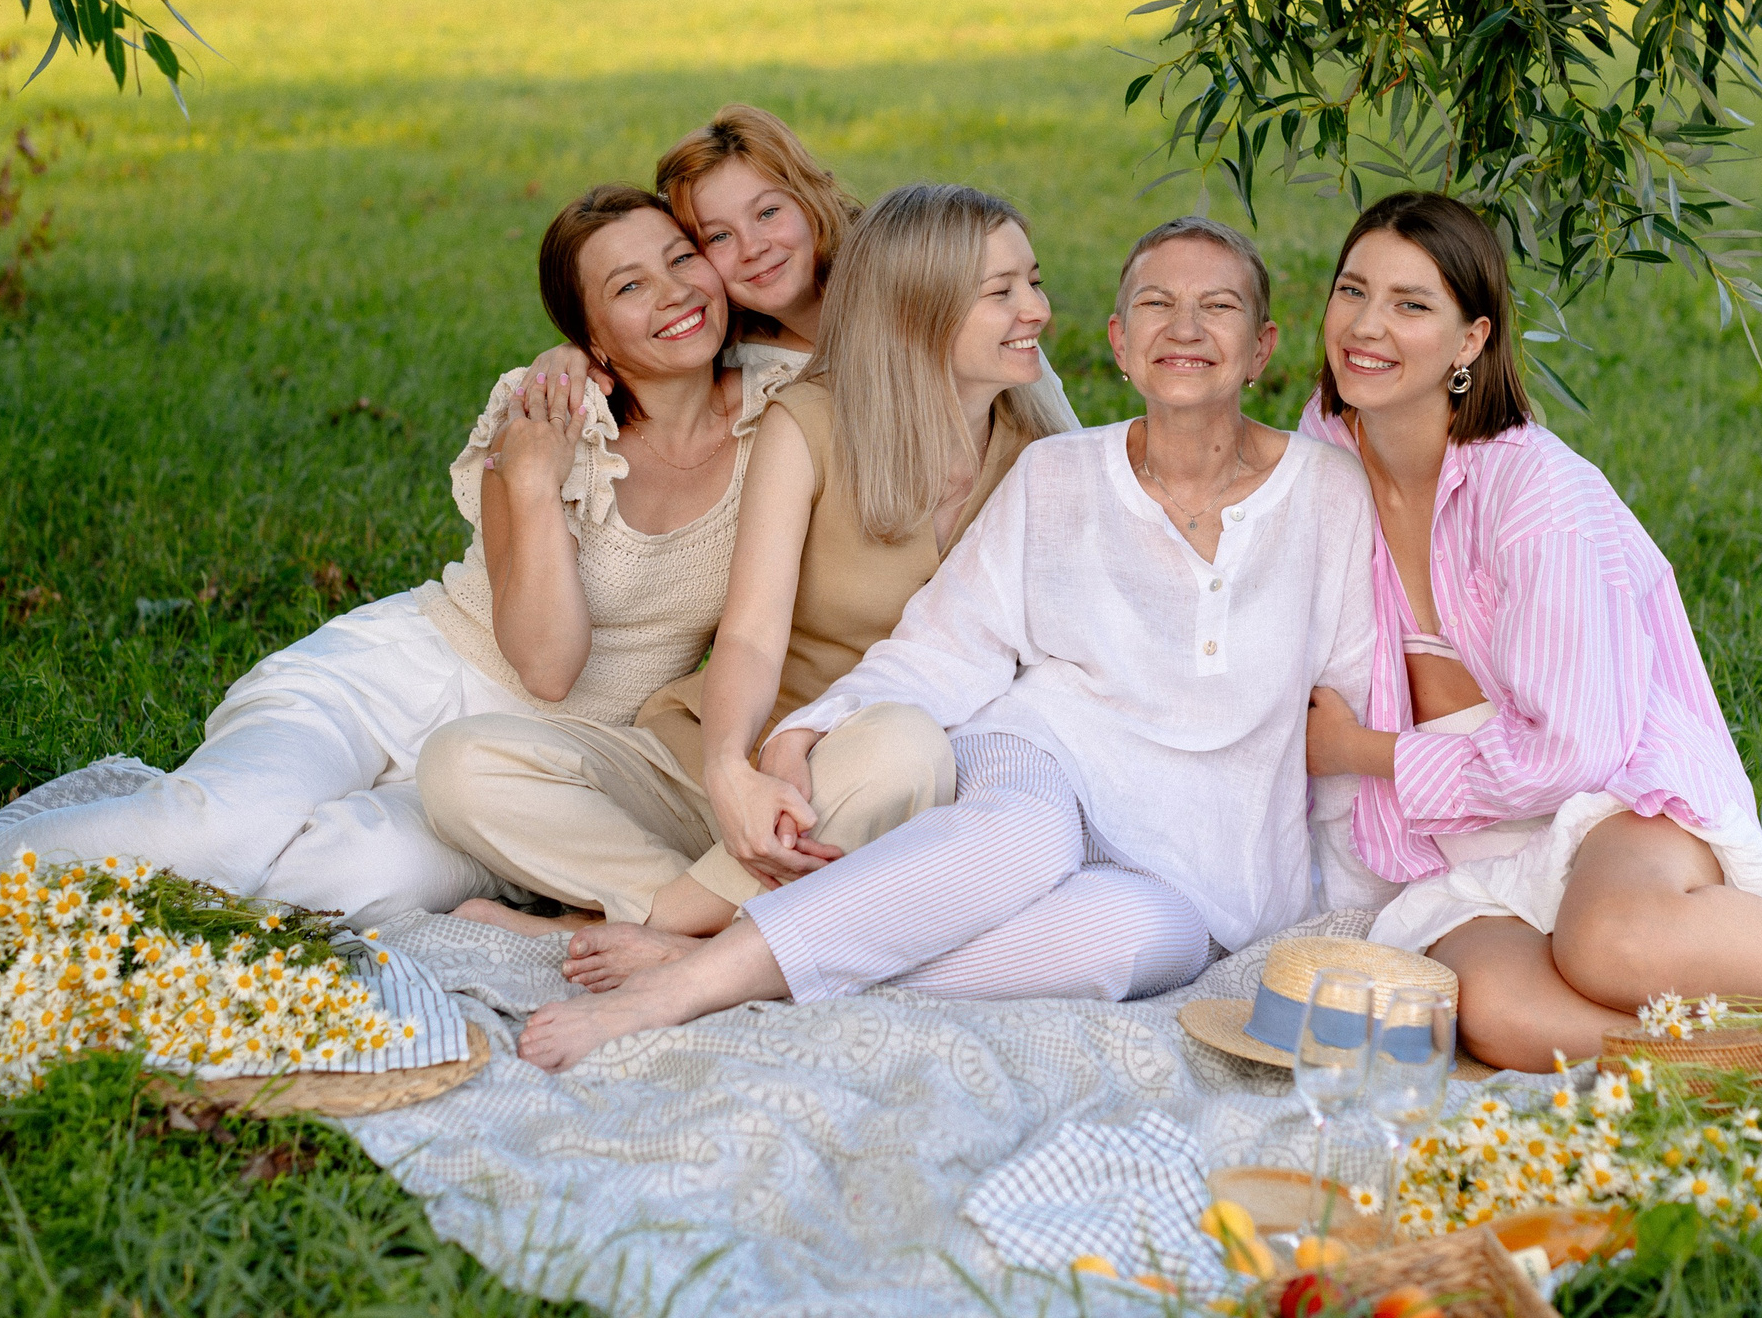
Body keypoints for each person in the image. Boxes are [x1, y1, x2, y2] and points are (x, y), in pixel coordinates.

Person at [507, 218, 1378, 1073]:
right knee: (1023, 838)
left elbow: (1352, 708)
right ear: (1120, 341)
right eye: (1157, 303)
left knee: (1131, 942)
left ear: (1261, 347)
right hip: (1049, 757)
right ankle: (684, 989)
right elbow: (948, 642)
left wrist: (1362, 905)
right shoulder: (1058, 473)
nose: (1184, 328)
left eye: (1217, 306)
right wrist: (812, 724)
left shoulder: (1330, 494)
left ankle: (736, 955)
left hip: (1204, 855)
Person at [1298, 190, 1762, 1071]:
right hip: (1464, 844)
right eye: (1352, 289)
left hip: (1610, 798)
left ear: (1470, 341)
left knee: (1610, 945)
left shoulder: (1535, 493)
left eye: (1411, 304)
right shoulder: (1327, 448)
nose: (1366, 325)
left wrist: (1360, 751)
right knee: (1494, 1010)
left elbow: (1573, 751)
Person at [0, 186, 795, 928]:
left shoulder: (779, 422)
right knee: (215, 831)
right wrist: (534, 481)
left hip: (519, 772)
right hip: (397, 677)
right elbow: (545, 660)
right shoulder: (545, 413)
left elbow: (839, 309)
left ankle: (102, 878)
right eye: (628, 285)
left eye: (681, 257)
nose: (674, 290)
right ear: (592, 340)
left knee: (349, 881)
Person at [417, 185, 1075, 977]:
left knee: (906, 748)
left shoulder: (1043, 460)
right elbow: (752, 635)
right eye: (1002, 292)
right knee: (461, 762)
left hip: (854, 776)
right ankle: (737, 926)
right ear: (923, 305)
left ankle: (650, 928)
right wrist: (730, 770)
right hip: (720, 751)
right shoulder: (810, 421)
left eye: (1034, 281)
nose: (1037, 309)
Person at [524, 103, 1074, 417]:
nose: (753, 247)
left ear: (810, 200)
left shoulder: (908, 292)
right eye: (718, 236)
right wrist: (575, 352)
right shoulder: (737, 356)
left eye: (768, 212)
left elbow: (1046, 425)